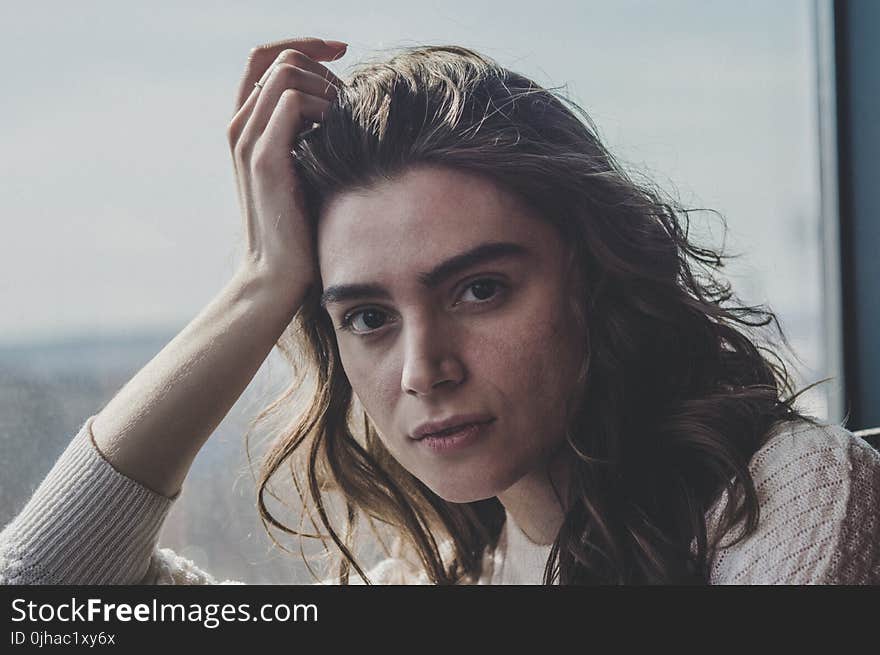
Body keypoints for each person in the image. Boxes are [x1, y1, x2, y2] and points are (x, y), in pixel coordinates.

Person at [1, 37, 878, 586]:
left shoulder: (787, 494)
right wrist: (260, 285)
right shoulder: (431, 579)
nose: (425, 370)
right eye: (369, 317)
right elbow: (36, 591)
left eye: (480, 289)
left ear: (593, 277)